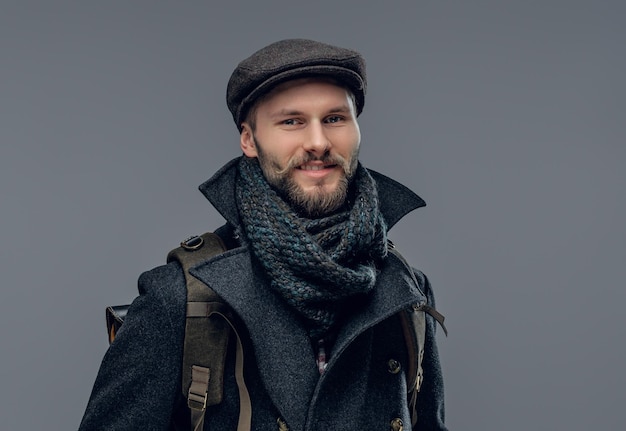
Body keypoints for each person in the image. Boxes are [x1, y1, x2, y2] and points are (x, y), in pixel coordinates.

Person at [79, 38, 447, 431]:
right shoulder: (179, 299)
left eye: (335, 118)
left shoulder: (406, 292)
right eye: (292, 121)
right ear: (249, 139)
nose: (318, 142)